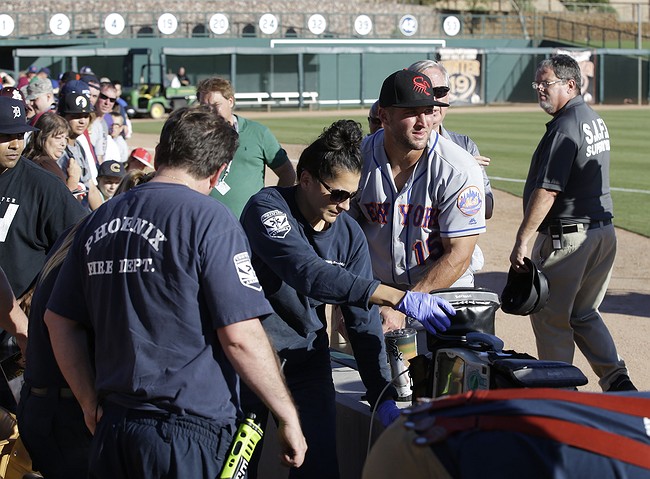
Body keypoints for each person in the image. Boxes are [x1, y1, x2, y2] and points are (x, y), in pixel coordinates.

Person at [44, 105, 307, 478]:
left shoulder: (100, 218)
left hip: (114, 426)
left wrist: (89, 402)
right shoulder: (210, 218)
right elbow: (240, 336)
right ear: (218, 171)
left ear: (162, 152)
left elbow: (58, 320)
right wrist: (286, 415)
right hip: (186, 431)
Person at [240, 119, 455, 479]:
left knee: (320, 464)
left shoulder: (350, 235)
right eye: (336, 193)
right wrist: (395, 296)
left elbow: (361, 319)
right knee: (236, 461)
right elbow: (307, 273)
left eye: (351, 196)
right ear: (304, 179)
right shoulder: (268, 208)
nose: (344, 205)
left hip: (304, 356)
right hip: (250, 356)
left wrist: (381, 394)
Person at [508, 54, 635, 392]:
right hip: (602, 233)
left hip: (570, 238)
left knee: (551, 318)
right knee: (583, 312)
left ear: (570, 84)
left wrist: (523, 239)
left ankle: (559, 394)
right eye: (537, 84)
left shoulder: (565, 127)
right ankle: (616, 378)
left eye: (545, 83)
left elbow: (548, 191)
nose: (539, 90)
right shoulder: (593, 119)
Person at [350, 69, 486, 331]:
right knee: (378, 370)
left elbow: (459, 253)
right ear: (384, 116)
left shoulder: (458, 168)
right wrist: (354, 298)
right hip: (378, 294)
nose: (423, 122)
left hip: (441, 294)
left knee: (445, 369)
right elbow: (342, 238)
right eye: (411, 112)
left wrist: (406, 304)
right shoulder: (358, 161)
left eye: (428, 111)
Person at [0, 96, 86, 409]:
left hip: (16, 341)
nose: (13, 143)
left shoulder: (43, 186)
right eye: (4, 136)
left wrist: (40, 290)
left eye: (18, 135)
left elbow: (79, 246)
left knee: (18, 434)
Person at [197, 77, 297, 218]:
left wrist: (274, 205)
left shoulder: (258, 133)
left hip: (249, 225)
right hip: (207, 221)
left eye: (216, 105)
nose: (210, 111)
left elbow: (287, 172)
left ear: (230, 101)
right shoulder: (195, 136)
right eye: (205, 107)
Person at [408, 60, 494, 219]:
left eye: (440, 92)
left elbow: (487, 209)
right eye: (424, 91)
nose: (433, 101)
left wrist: (467, 174)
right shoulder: (395, 144)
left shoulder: (465, 146)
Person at [56, 80, 102, 210]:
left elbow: (91, 188)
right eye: (75, 116)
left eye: (85, 115)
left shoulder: (78, 146)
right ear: (62, 117)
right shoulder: (56, 149)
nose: (82, 121)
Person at [23, 112, 81, 192]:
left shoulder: (28, 160)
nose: (63, 144)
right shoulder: (45, 165)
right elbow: (60, 202)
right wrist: (73, 180)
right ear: (42, 137)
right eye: (58, 138)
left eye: (65, 138)